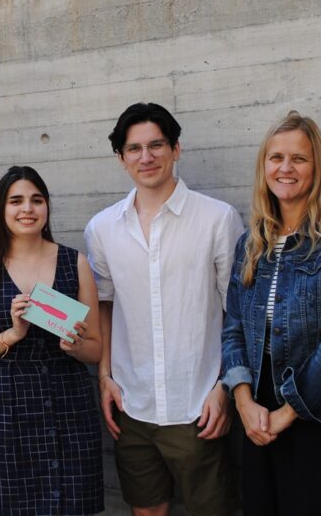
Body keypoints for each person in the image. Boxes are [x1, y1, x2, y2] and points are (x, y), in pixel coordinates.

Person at [84, 102, 243, 516]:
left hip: (199, 403)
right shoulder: (102, 228)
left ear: (177, 149)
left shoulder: (217, 219)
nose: (146, 157)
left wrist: (225, 386)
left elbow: (238, 312)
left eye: (156, 145)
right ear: (121, 158)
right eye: (134, 148)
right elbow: (105, 306)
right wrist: (104, 376)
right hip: (132, 405)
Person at [221, 111, 321, 515]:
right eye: (276, 158)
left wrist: (290, 412)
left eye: (298, 159)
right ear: (264, 166)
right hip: (259, 412)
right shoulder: (250, 242)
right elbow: (233, 329)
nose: (285, 168)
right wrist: (242, 400)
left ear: (316, 167)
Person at [0, 166, 104, 516]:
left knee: (67, 505)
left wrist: (75, 346)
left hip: (66, 402)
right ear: (1, 210)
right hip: (0, 408)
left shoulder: (74, 262)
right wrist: (13, 334)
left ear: (47, 207)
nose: (27, 209)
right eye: (16, 201)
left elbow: (95, 347)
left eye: (37, 200)